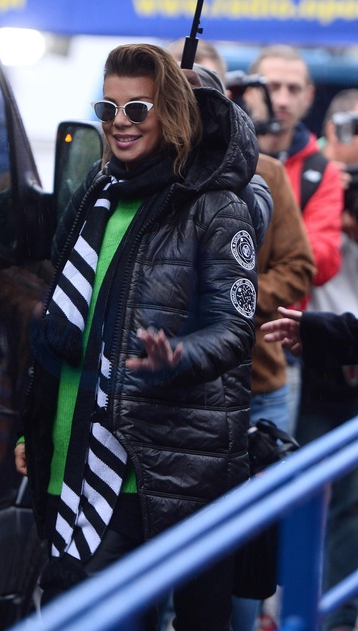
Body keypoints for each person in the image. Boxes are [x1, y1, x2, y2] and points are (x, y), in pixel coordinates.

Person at [15, 43, 259, 631]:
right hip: (70, 457)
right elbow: (59, 324)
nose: (119, 122)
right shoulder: (93, 196)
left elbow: (235, 328)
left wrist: (176, 356)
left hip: (152, 468)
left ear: (171, 112)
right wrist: (34, 428)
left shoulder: (216, 206)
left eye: (138, 108)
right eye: (108, 108)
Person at [168, 44, 316, 631]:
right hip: (167, 397)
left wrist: (232, 301)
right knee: (168, 560)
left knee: (241, 562)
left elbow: (299, 267)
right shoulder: (138, 175)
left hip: (257, 386)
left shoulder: (267, 175)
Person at [284, 89, 358, 631]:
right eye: (350, 127)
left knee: (351, 505)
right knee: (295, 493)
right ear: (330, 130)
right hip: (309, 359)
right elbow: (309, 259)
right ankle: (289, 606)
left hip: (338, 346)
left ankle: (337, 617)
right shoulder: (313, 180)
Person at [243, 44, 343, 435]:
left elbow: (320, 261)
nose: (282, 99)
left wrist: (235, 290)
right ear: (249, 90)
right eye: (272, 86)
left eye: (293, 88)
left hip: (280, 347)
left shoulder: (321, 169)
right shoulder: (218, 154)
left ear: (309, 96)